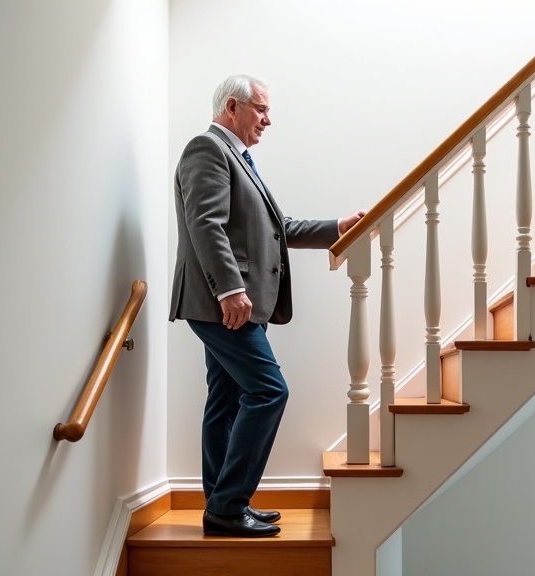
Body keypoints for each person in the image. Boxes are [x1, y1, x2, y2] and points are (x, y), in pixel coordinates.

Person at [169, 74, 364, 537]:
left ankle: (222, 504)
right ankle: (229, 505)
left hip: (228, 303)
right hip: (223, 303)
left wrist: (338, 226)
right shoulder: (208, 149)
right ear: (232, 107)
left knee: (228, 398)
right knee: (269, 392)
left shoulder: (239, 158)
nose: (268, 120)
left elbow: (279, 227)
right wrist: (228, 289)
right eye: (261, 110)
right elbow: (206, 225)